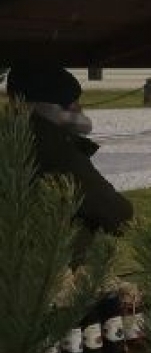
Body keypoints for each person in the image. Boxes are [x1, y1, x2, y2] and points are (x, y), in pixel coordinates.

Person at [5, 64, 133, 234]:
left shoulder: (11, 133)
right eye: (72, 103)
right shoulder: (55, 148)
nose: (80, 109)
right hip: (44, 256)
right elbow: (116, 213)